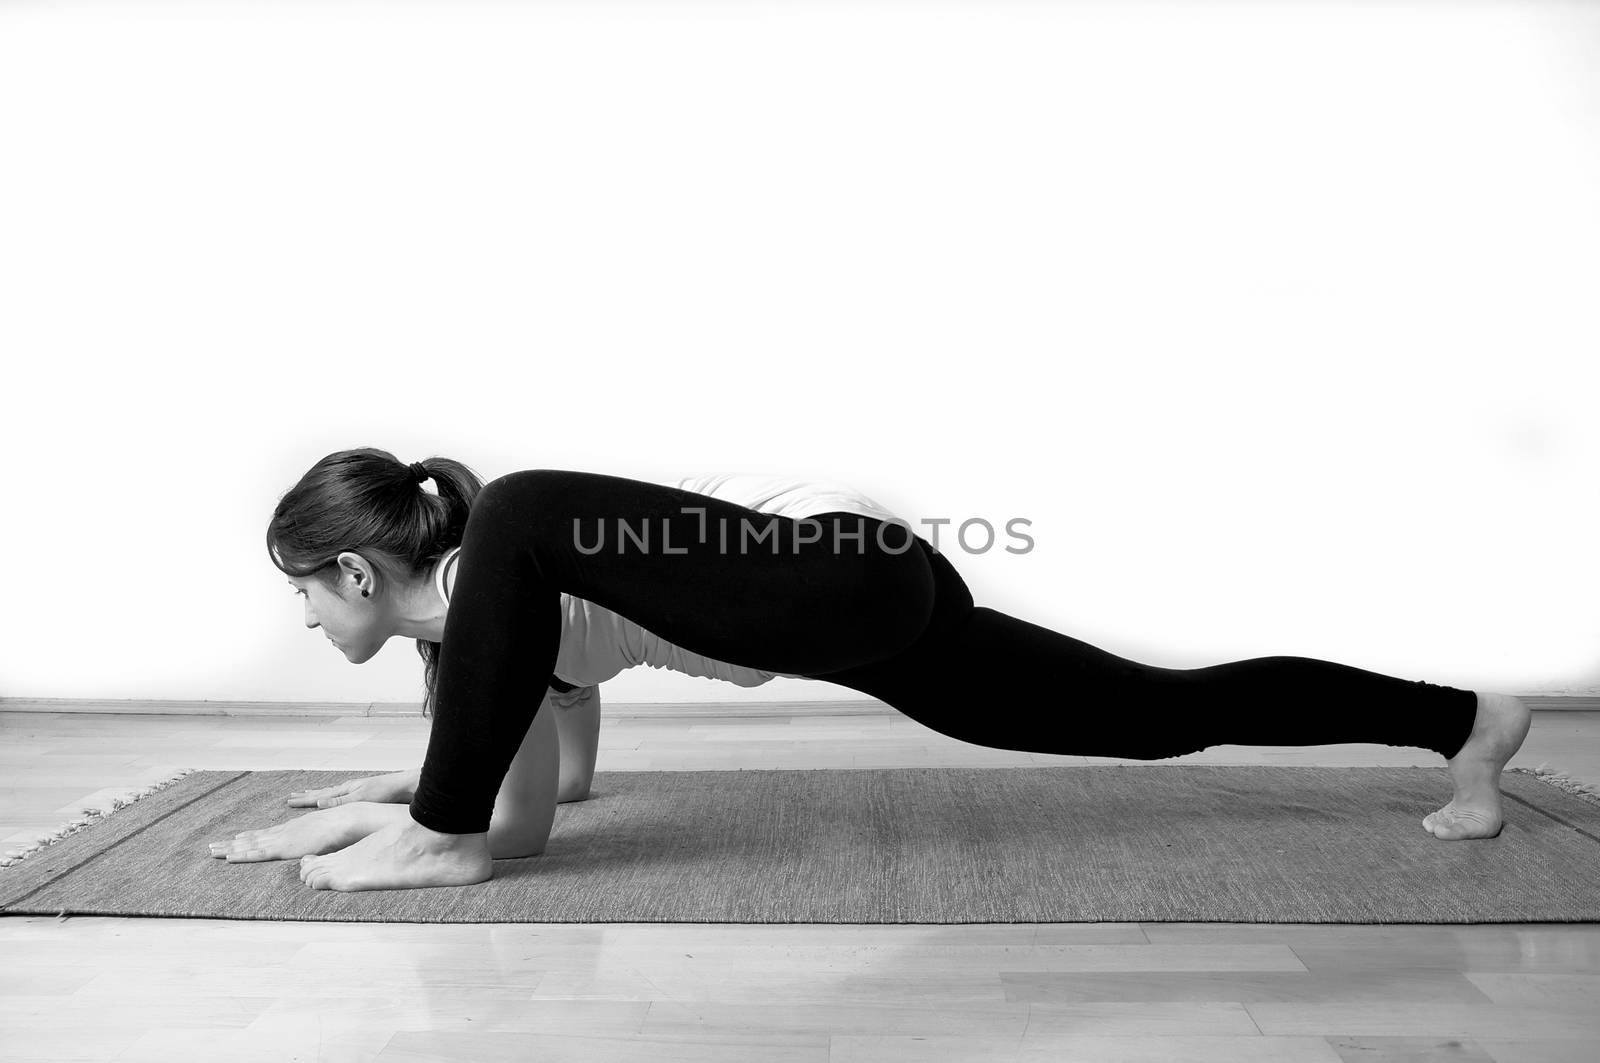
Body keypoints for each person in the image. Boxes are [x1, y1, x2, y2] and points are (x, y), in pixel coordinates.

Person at [218, 449, 1532, 893]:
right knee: (1157, 716)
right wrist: (401, 792)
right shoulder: (483, 642)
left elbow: (482, 825)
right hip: (881, 618)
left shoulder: (495, 561)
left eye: (300, 591)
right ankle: (1465, 721)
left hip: (834, 567)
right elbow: (536, 811)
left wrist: (435, 825)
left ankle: (1459, 719)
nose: (302, 620)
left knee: (518, 506)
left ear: (351, 573)